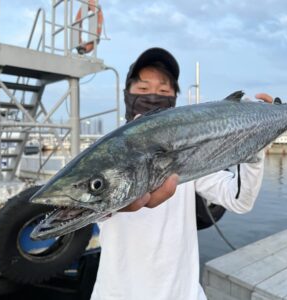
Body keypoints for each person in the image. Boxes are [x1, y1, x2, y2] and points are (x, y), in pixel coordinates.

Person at [91, 47, 270, 300]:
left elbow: (239, 200)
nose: (153, 96)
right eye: (143, 89)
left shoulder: (187, 151)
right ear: (127, 95)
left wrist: (256, 146)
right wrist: (110, 202)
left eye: (164, 91)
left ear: (174, 98)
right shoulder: (103, 153)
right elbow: (83, 208)